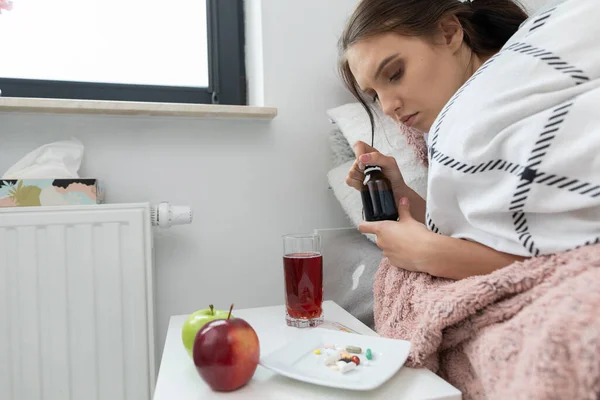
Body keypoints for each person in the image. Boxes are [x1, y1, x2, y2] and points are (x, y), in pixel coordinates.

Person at [339, 0, 535, 280]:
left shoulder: (530, 84)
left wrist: (427, 253)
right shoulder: (447, 122)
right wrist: (399, 192)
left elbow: (557, 258)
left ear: (449, 32)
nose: (386, 107)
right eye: (374, 95)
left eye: (395, 74)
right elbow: (462, 231)